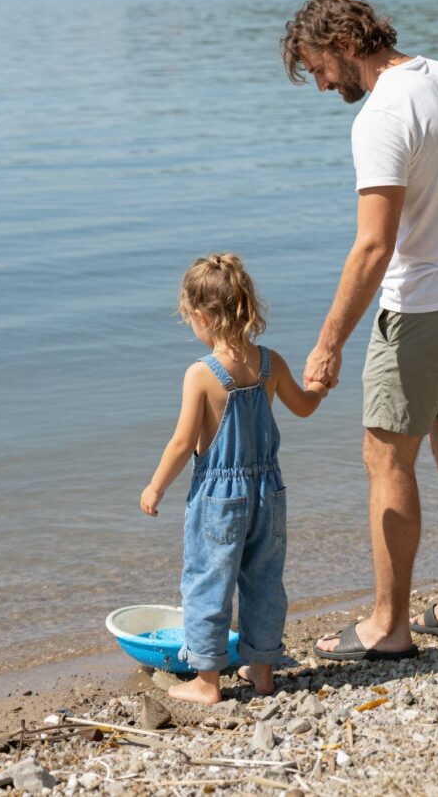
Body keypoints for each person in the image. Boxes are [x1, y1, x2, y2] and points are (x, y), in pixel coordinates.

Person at [280, 0, 438, 662]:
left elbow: (373, 248)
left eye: (318, 67)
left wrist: (328, 343)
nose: (321, 84)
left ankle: (388, 626)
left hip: (424, 310)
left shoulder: (383, 113)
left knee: (387, 461)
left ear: (343, 44)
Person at [141, 253, 329, 703]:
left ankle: (207, 682)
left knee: (208, 581)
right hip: (268, 492)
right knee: (264, 579)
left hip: (218, 498)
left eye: (190, 319)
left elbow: (182, 443)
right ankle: (261, 672)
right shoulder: (269, 363)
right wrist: (320, 385)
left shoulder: (202, 375)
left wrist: (155, 486)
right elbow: (303, 407)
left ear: (203, 316)